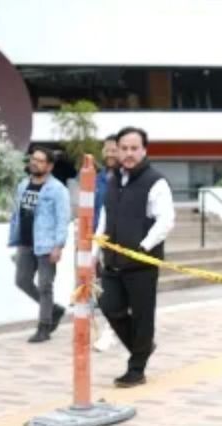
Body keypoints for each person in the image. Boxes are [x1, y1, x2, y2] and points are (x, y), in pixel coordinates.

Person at [95, 126, 176, 387]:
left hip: (142, 263)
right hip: (113, 261)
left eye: (134, 148)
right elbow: (105, 218)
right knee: (109, 306)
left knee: (142, 316)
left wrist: (143, 247)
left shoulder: (156, 182)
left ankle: (136, 368)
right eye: (124, 148)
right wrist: (96, 249)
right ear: (116, 150)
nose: (128, 154)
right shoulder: (112, 180)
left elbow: (166, 220)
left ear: (144, 150)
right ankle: (141, 347)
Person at [9, 147, 70, 343]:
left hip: (46, 244)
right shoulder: (23, 185)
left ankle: (44, 327)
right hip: (26, 243)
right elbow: (17, 214)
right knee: (22, 281)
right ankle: (54, 310)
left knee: (45, 286)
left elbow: (63, 218)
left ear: (50, 166)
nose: (35, 163)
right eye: (33, 159)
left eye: (40, 161)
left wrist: (58, 245)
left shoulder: (57, 189)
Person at [93, 135, 120, 353]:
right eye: (107, 150)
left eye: (114, 150)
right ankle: (115, 328)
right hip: (98, 241)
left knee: (114, 290)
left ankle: (111, 331)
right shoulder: (98, 178)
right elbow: (94, 212)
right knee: (102, 289)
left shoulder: (126, 179)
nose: (110, 154)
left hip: (120, 243)